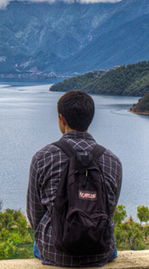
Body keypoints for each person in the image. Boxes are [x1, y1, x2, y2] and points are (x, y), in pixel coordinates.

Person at [27, 90, 123, 267]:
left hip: (55, 251)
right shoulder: (112, 160)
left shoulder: (42, 157)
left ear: (62, 119)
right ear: (90, 119)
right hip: (99, 249)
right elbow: (109, 209)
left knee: (37, 243)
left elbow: (35, 216)